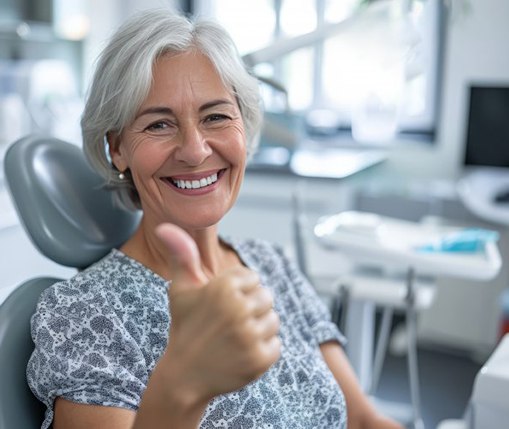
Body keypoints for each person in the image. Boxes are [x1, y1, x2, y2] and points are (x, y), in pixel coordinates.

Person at [27, 8, 404, 429]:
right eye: (159, 124)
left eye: (216, 116)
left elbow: (364, 419)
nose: (195, 150)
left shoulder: (271, 265)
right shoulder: (84, 313)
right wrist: (184, 381)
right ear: (118, 149)